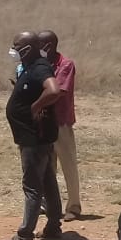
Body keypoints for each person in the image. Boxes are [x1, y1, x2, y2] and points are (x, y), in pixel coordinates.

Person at [0, 32, 64, 240]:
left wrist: (35, 106)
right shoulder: (31, 66)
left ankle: (25, 235)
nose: (13, 50)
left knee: (32, 187)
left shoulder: (39, 67)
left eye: (16, 46)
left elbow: (54, 90)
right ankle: (54, 226)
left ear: (28, 49)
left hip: (33, 139)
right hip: (37, 138)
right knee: (47, 182)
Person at [40, 31, 81, 221]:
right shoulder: (41, 65)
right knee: (47, 166)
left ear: (48, 45)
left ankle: (73, 206)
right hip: (44, 122)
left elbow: (58, 91)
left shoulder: (65, 65)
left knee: (68, 165)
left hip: (61, 122)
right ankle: (47, 204)